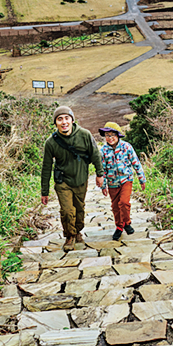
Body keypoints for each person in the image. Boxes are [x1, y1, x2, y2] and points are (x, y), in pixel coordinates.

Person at [41, 105, 104, 250]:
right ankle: (69, 236)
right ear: (55, 122)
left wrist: (100, 174)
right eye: (60, 119)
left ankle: (78, 232)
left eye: (66, 118)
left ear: (72, 120)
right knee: (67, 211)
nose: (64, 122)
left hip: (81, 180)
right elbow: (46, 167)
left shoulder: (85, 135)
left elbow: (95, 154)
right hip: (63, 182)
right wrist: (44, 191)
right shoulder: (51, 142)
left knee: (79, 209)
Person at [98, 121, 146, 240]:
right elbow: (102, 169)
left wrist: (142, 179)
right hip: (112, 183)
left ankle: (127, 223)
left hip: (126, 180)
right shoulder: (103, 151)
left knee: (124, 203)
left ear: (118, 135)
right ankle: (119, 227)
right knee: (115, 206)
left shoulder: (126, 147)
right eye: (107, 135)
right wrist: (103, 186)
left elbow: (136, 163)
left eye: (113, 135)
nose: (110, 138)